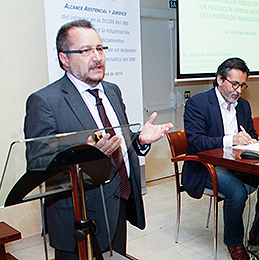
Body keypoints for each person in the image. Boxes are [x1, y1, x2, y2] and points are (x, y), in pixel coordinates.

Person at [24, 20, 173, 259]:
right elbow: (38, 163)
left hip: (117, 201)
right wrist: (84, 154)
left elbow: (116, 143)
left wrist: (139, 141)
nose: (97, 57)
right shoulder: (45, 101)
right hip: (77, 215)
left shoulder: (112, 91)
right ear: (65, 59)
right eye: (85, 51)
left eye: (100, 49)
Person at [182, 57, 259, 260]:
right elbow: (197, 142)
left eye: (243, 85)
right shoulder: (198, 103)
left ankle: (258, 235)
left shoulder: (243, 105)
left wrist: (250, 141)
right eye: (234, 84)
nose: (239, 90)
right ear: (219, 80)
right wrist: (231, 139)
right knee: (236, 192)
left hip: (236, 163)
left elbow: (251, 134)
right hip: (204, 166)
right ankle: (235, 245)